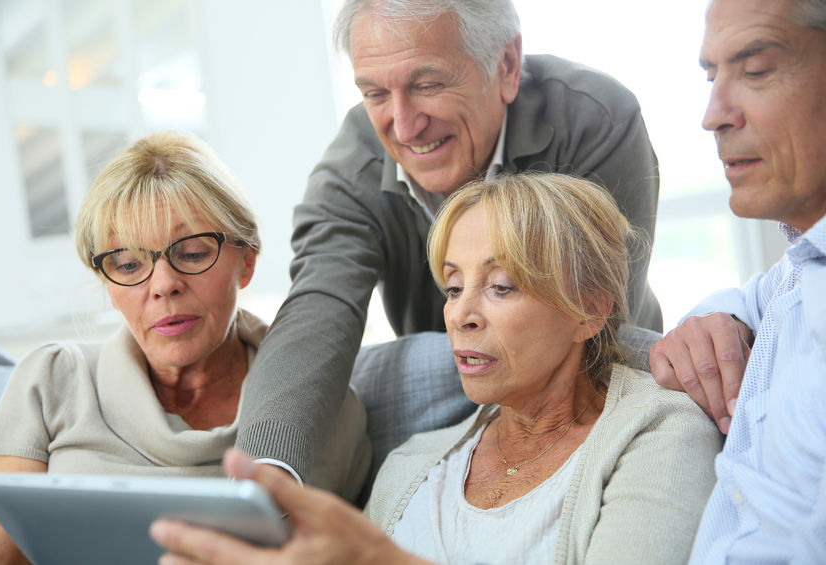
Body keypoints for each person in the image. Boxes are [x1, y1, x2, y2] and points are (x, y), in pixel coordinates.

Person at [153, 173, 721, 565]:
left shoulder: (658, 429)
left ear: (592, 309)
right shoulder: (413, 467)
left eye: (500, 286)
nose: (461, 315)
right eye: (452, 287)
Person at [236, 0, 663, 489]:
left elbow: (598, 322)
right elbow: (318, 308)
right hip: (458, 397)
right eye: (374, 93)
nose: (403, 124)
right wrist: (265, 473)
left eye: (428, 85)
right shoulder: (351, 168)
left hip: (599, 382)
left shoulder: (594, 119)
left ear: (505, 66)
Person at [0, 131, 370, 565]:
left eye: (193, 252)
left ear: (248, 260)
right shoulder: (51, 380)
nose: (164, 285)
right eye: (128, 264)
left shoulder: (328, 411)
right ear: (107, 283)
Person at [648, 0, 826, 561]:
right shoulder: (804, 264)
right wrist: (720, 316)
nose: (713, 114)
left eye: (755, 72)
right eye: (711, 75)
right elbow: (752, 294)